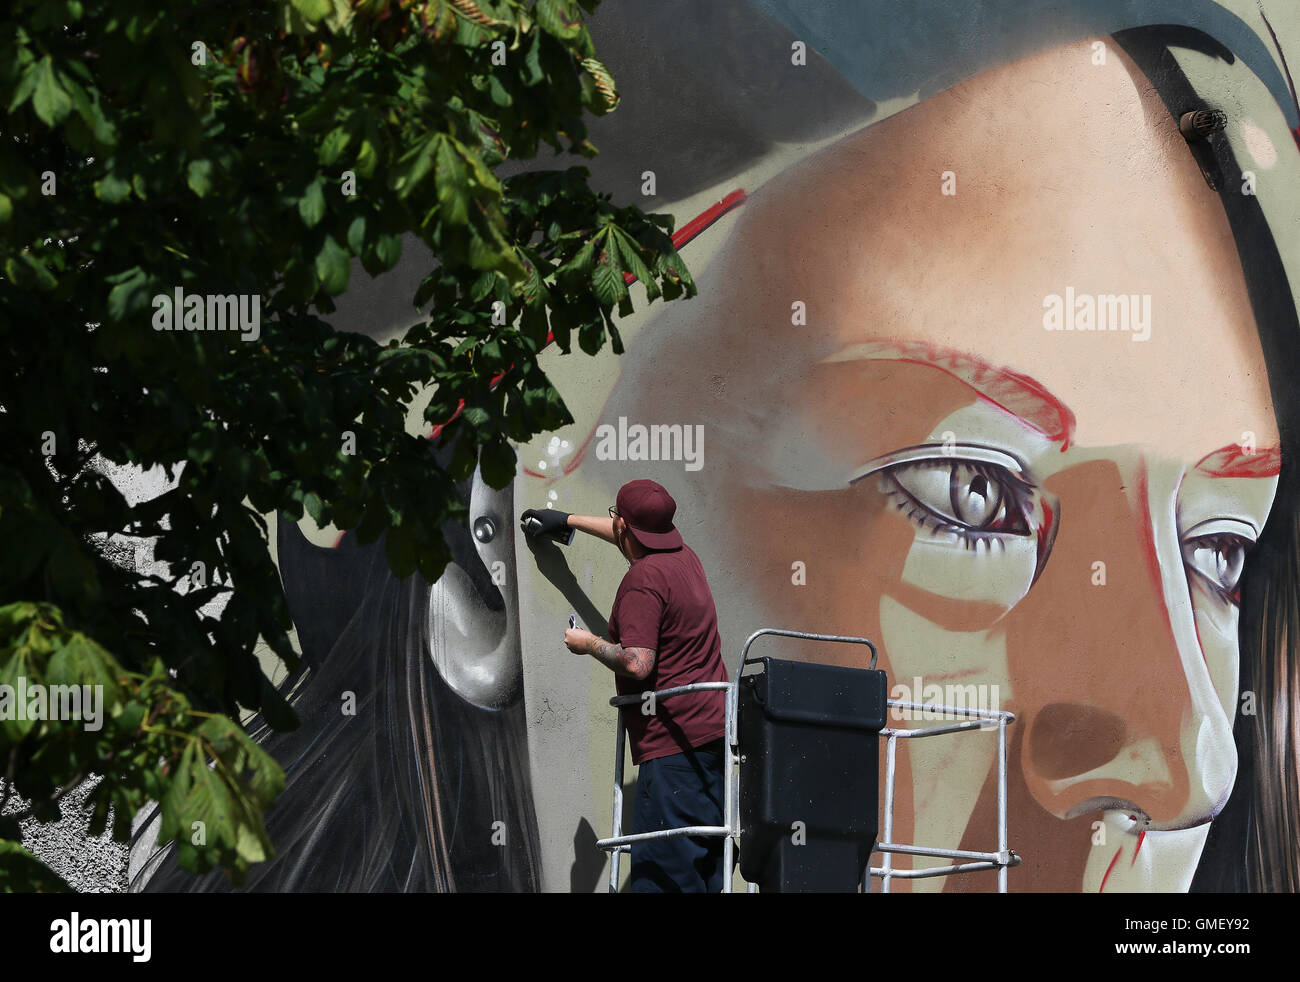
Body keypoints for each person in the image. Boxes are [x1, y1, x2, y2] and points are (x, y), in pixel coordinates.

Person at [521, 479, 731, 892]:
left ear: (624, 528)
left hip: (673, 755)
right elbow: (628, 532)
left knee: (665, 879)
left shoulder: (643, 580)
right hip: (713, 746)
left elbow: (637, 663)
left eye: (615, 518)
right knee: (707, 875)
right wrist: (566, 521)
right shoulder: (686, 559)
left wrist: (589, 644)